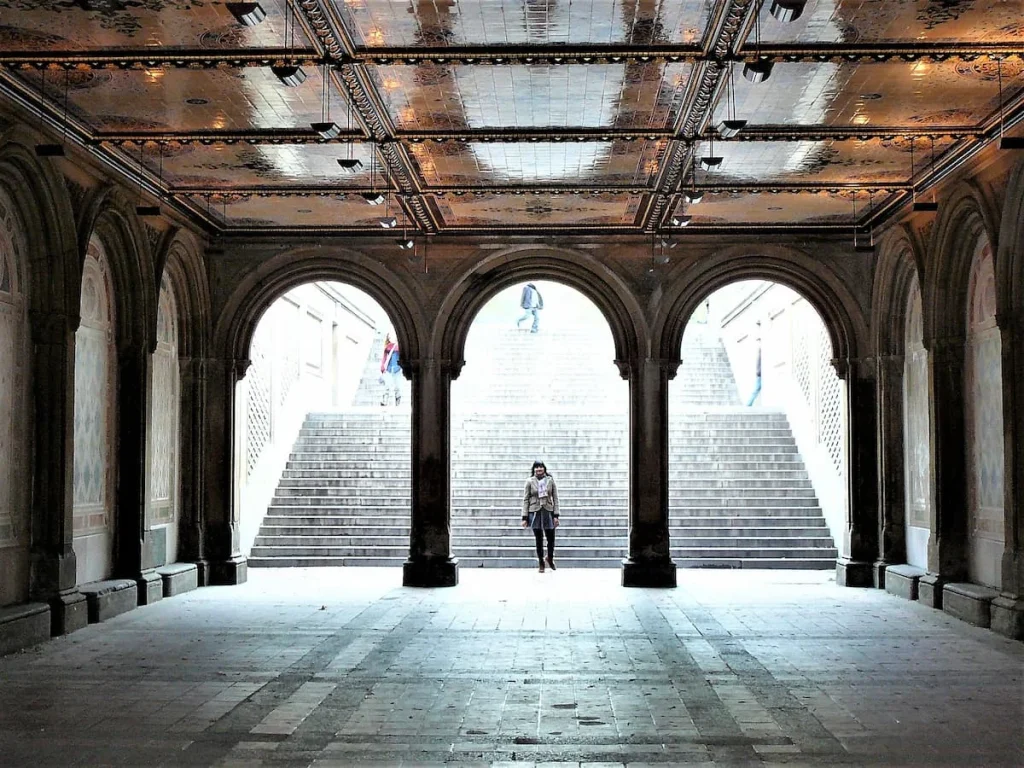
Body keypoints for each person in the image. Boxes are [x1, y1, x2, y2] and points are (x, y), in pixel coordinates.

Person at [522, 460, 559, 572]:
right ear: (534, 469)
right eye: (536, 467)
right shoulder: (529, 482)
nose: (539, 469)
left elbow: (555, 498)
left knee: (551, 537)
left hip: (548, 510)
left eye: (541, 467)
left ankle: (550, 557)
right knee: (538, 538)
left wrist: (556, 514)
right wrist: (524, 517)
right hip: (535, 511)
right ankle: (541, 562)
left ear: (544, 468)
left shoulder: (550, 481)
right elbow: (526, 499)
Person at [379, 333, 402, 406]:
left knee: (397, 386)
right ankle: (385, 401)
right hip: (389, 369)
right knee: (387, 386)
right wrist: (383, 367)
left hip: (397, 369)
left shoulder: (398, 347)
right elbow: (384, 358)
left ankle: (397, 401)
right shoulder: (388, 347)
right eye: (389, 337)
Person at [747, 322, 762, 407]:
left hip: (759, 373)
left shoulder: (760, 352)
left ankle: (749, 404)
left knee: (756, 389)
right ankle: (748, 404)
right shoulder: (760, 352)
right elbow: (759, 365)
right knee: (756, 389)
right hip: (760, 374)